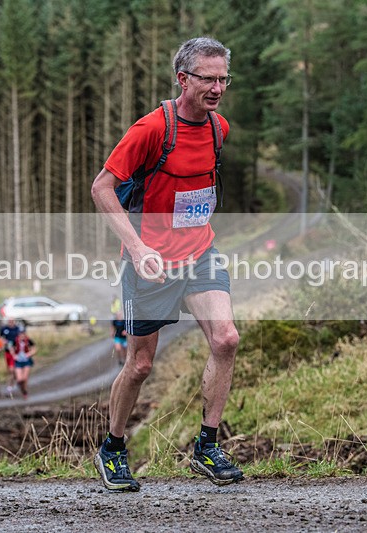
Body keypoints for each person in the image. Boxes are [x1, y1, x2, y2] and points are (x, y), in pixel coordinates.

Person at [90, 36, 242, 492]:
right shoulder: (152, 129)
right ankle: (112, 449)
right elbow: (102, 188)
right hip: (150, 264)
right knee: (139, 365)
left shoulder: (220, 129)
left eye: (223, 79)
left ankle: (207, 446)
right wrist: (137, 248)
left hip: (199, 254)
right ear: (183, 78)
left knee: (227, 338)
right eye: (207, 79)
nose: (216, 88)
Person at [11, 330, 36, 400]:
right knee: (19, 379)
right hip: (18, 361)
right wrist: (14, 355)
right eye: (20, 334)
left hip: (26, 361)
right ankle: (22, 389)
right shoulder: (15, 341)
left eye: (23, 334)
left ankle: (24, 392)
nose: (22, 336)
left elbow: (34, 349)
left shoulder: (28, 341)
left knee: (25, 378)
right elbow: (11, 349)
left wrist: (29, 354)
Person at [0, 318, 21, 395]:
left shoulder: (18, 329)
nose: (11, 322)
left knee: (12, 370)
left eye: (12, 321)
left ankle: (11, 386)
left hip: (16, 352)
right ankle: (12, 385)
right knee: (10, 371)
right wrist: (3, 342)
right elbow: (0, 338)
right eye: (9, 321)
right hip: (7, 352)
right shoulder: (4, 329)